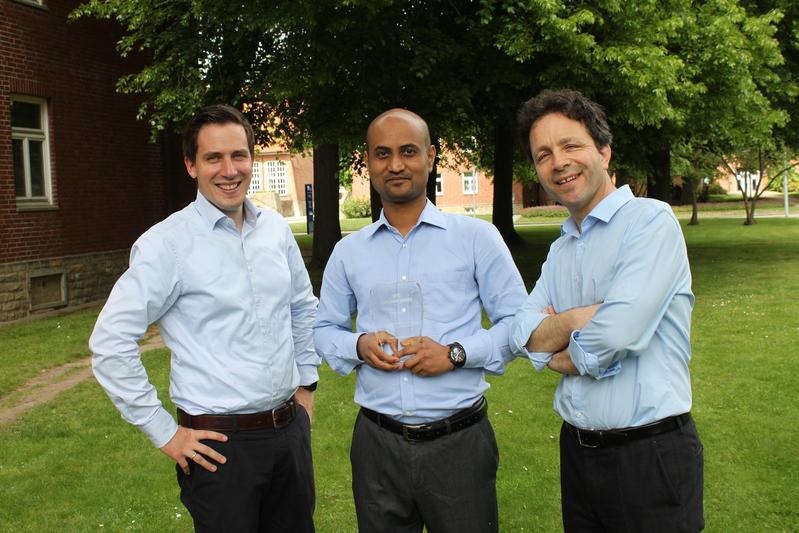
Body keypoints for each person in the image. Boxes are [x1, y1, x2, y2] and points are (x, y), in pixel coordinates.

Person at [90, 104, 318, 533]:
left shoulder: (275, 230)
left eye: (239, 155)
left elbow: (302, 307)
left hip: (289, 435)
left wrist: (306, 384)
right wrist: (165, 432)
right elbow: (110, 344)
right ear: (191, 165)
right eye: (214, 158)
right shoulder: (166, 245)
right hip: (219, 449)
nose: (229, 170)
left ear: (252, 158)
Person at [313, 108, 527, 533]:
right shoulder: (349, 252)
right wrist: (358, 346)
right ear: (369, 162)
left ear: (431, 157)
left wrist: (456, 354)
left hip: (459, 443)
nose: (395, 164)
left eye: (408, 151)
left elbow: (519, 323)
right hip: (377, 445)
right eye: (383, 153)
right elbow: (323, 331)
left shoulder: (476, 239)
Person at [511, 89, 704, 532]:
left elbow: (617, 334)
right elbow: (522, 331)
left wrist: (557, 349)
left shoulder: (651, 222)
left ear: (603, 150)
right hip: (578, 454)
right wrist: (579, 319)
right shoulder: (561, 249)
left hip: (650, 457)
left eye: (570, 145)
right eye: (543, 154)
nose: (558, 162)